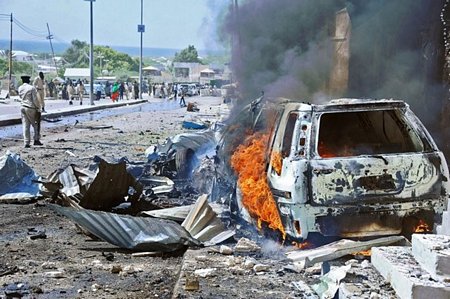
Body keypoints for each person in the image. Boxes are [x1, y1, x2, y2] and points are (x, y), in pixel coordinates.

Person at [18, 75, 43, 148]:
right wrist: (38, 107)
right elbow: (35, 99)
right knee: (35, 124)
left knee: (25, 125)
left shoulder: (20, 88)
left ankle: (26, 142)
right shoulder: (31, 88)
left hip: (22, 107)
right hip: (31, 108)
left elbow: (20, 97)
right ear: (28, 80)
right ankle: (36, 140)